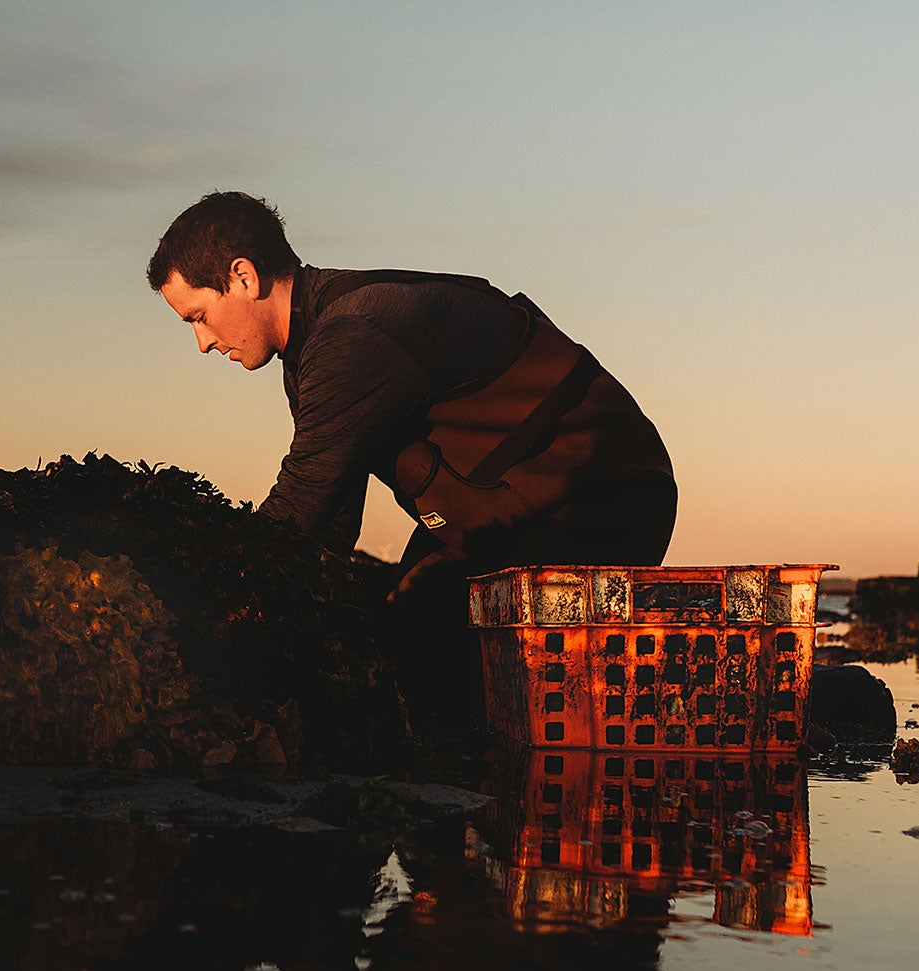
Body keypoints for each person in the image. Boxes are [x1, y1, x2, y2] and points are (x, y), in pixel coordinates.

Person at [148, 191, 678, 714]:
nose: (203, 343)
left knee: (422, 663)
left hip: (601, 497)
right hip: (516, 508)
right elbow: (330, 521)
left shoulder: (351, 334)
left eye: (198, 316)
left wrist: (197, 604)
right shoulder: (309, 352)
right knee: (396, 637)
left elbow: (299, 505)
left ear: (243, 277)